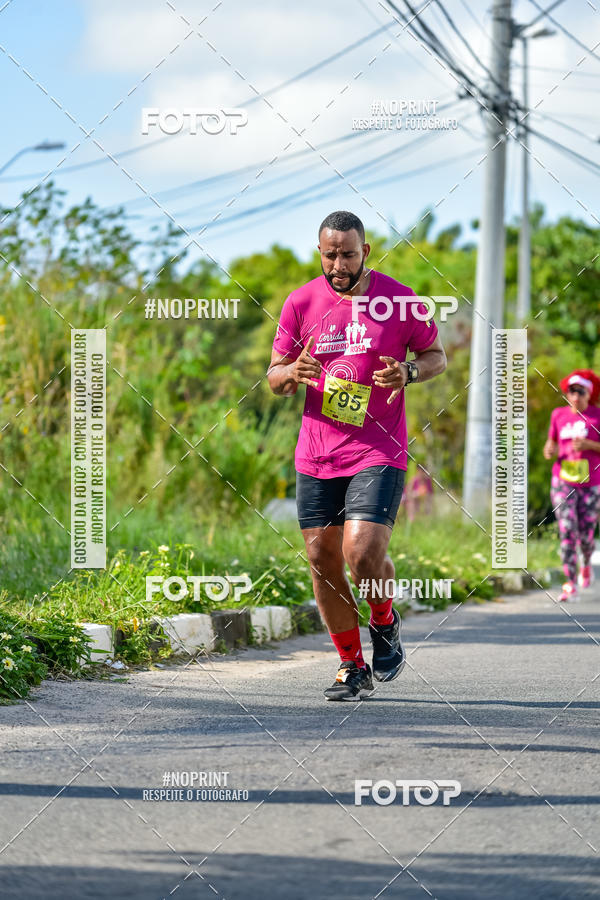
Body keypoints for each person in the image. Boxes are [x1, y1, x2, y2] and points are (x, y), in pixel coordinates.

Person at [267, 210, 447, 700]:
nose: (339, 265)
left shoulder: (399, 301)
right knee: (321, 558)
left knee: (362, 553)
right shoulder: (301, 302)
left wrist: (408, 372)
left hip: (378, 448)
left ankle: (384, 621)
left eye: (348, 255)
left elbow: (436, 356)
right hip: (316, 454)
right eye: (330, 255)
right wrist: (292, 373)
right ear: (319, 252)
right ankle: (351, 665)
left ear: (365, 251)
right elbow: (275, 376)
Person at [543, 369, 600, 602]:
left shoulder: (597, 416)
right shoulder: (558, 415)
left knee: (586, 534)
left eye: (580, 391)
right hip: (563, 480)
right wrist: (549, 450)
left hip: (591, 483)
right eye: (571, 391)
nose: (575, 396)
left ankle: (586, 562)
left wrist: (589, 445)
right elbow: (551, 444)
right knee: (567, 529)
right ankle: (569, 583)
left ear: (589, 394)